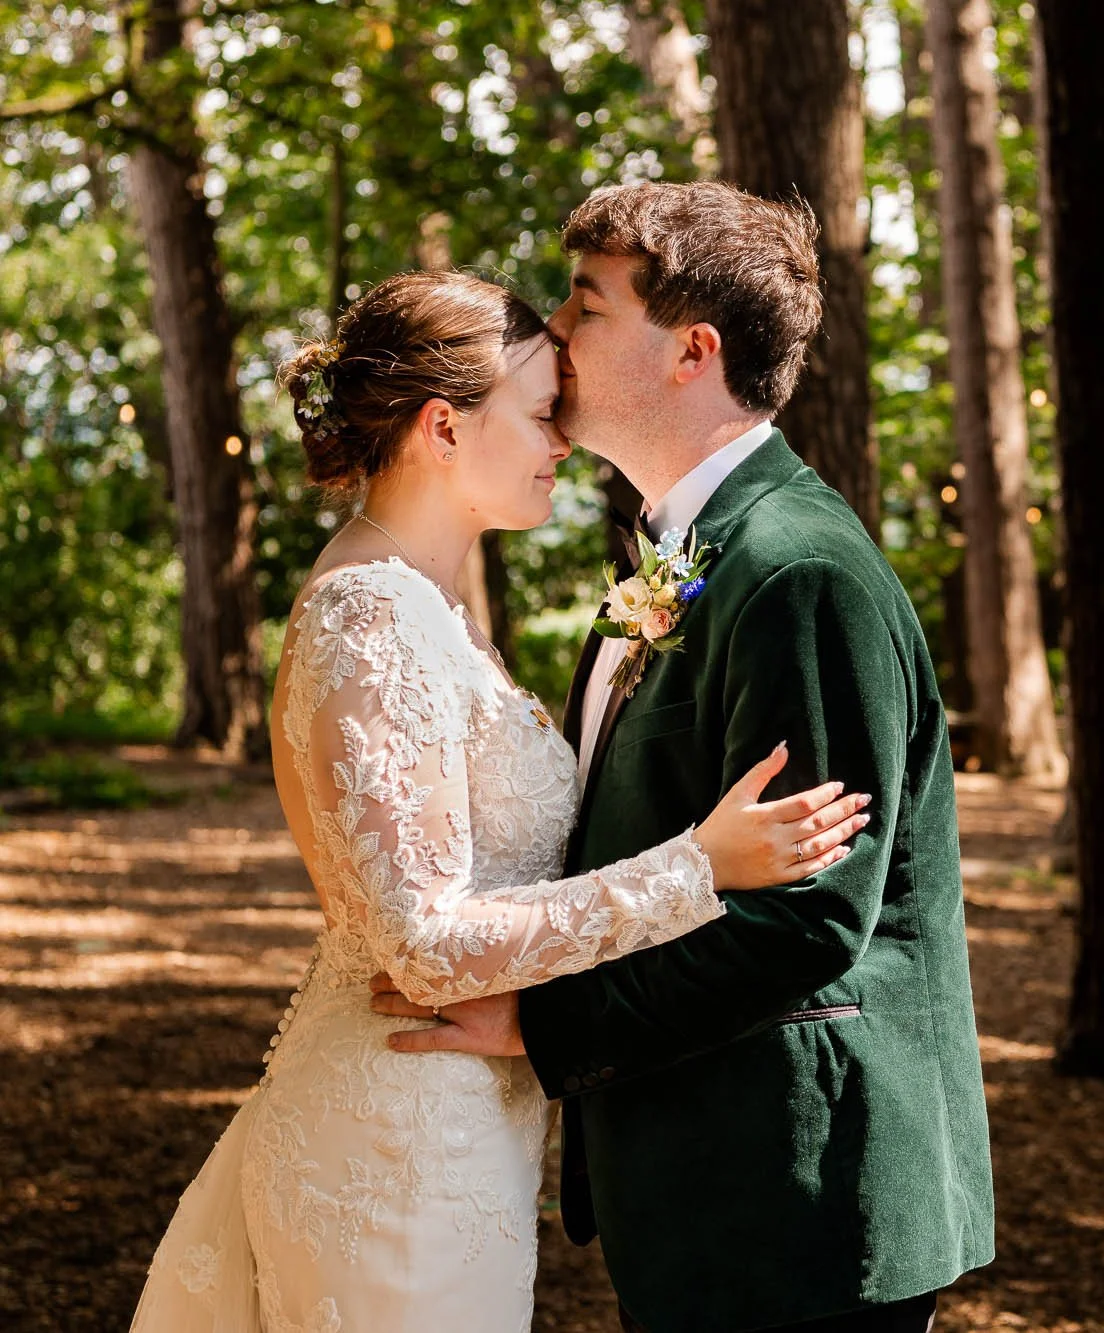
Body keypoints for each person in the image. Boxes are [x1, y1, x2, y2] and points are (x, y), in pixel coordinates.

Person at [129, 268, 870, 1333]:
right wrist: (696, 869)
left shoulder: (432, 607)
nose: (560, 441)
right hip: (394, 1137)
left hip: (458, 1126)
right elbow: (421, 943)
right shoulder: (369, 615)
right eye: (536, 414)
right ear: (443, 427)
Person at [368, 181, 996, 1332]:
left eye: (588, 304)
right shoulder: (681, 552)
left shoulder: (798, 572)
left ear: (690, 351)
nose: (552, 328)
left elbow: (807, 918)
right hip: (706, 1184)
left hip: (796, 1193)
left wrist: (541, 1025)